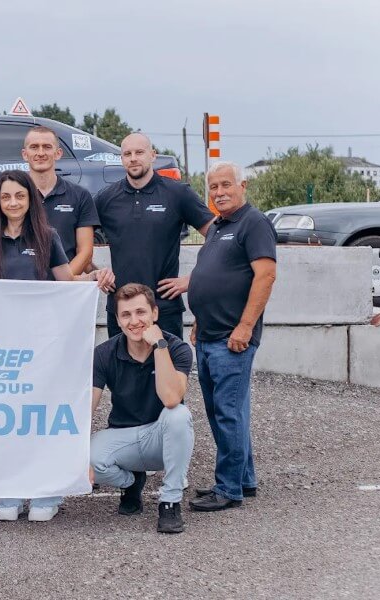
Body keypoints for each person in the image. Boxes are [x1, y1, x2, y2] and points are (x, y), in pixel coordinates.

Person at [0, 170, 114, 522]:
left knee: (39, 416)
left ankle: (46, 491)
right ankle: (10, 490)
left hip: (43, 344)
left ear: (30, 200)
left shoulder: (47, 236)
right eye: (6, 197)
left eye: (19, 196)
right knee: (6, 418)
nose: (13, 203)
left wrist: (93, 277)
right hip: (2, 346)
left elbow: (65, 282)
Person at [187, 161, 277, 512]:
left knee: (227, 413)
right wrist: (200, 319)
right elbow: (210, 276)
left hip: (232, 339)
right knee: (224, 412)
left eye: (226, 185)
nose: (220, 192)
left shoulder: (254, 223)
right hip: (208, 335)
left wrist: (245, 326)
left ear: (243, 186)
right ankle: (244, 479)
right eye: (213, 187)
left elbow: (265, 276)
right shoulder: (217, 227)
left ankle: (227, 489)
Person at [89, 283, 194, 534]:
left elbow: (171, 398)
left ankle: (170, 502)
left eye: (141, 312)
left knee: (179, 415)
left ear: (154, 313)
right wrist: (75, 455)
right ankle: (130, 482)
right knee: (85, 458)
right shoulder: (103, 354)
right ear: (117, 320)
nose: (134, 321)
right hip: (122, 437)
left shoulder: (176, 348)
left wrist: (159, 345)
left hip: (160, 438)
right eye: (126, 315)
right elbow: (87, 409)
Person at [93, 133, 215, 339]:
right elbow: (77, 242)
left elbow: (218, 237)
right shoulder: (106, 198)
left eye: (139, 152)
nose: (133, 158)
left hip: (164, 308)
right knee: (121, 362)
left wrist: (193, 279)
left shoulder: (178, 193)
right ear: (121, 159)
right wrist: (95, 273)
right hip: (121, 310)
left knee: (166, 360)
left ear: (153, 155)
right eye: (127, 154)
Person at [22, 126, 99, 275]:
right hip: (22, 283)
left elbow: (85, 252)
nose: (40, 153)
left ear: (58, 153)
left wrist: (64, 281)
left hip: (65, 285)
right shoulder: (13, 196)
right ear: (25, 154)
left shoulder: (80, 196)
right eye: (34, 147)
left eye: (47, 147)